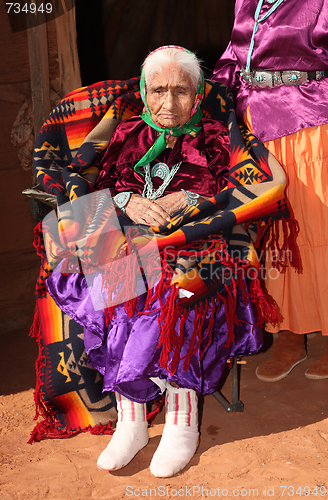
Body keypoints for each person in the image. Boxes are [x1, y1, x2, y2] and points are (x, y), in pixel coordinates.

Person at [43, 45, 282, 477]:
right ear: (143, 91)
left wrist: (193, 199)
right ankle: (132, 419)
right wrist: (125, 200)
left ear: (198, 93)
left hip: (206, 248)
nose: (168, 104)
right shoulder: (124, 132)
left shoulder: (217, 134)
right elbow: (94, 185)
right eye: (158, 91)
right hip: (132, 241)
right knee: (119, 276)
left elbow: (251, 185)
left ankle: (181, 420)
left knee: (178, 289)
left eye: (181, 91)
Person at [211, 0, 328, 382]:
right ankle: (289, 335)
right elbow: (234, 57)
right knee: (275, 237)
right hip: (256, 127)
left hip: (311, 123)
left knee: (318, 230)